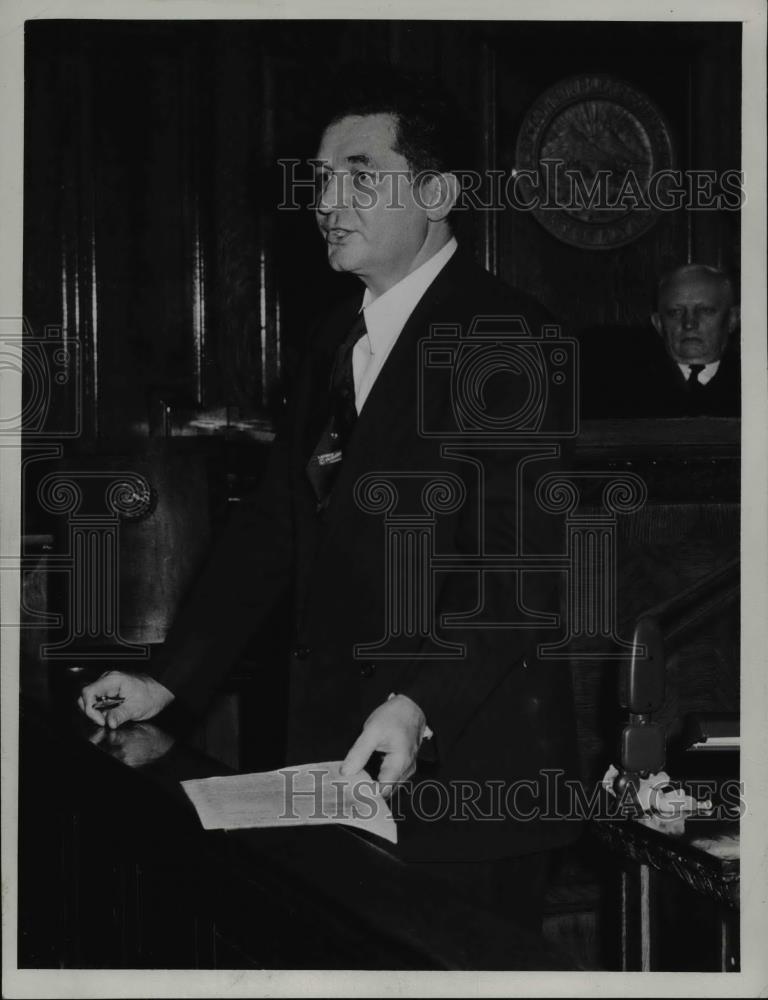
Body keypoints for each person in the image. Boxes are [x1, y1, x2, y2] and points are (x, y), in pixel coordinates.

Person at [78, 74, 580, 933]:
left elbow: (519, 572)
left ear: (438, 194)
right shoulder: (334, 337)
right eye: (319, 179)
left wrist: (419, 701)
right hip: (334, 757)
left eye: (359, 174)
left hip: (464, 775)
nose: (326, 200)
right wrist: (170, 680)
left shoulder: (511, 340)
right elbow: (273, 529)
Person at [580, 263, 740, 419]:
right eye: (676, 312)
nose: (689, 324)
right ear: (658, 324)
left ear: (732, 319)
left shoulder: (754, 384)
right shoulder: (615, 387)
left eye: (705, 311)